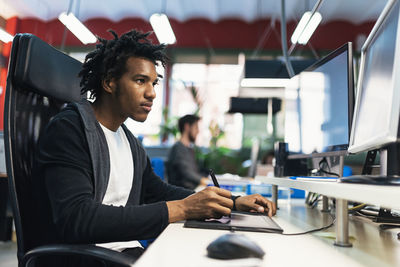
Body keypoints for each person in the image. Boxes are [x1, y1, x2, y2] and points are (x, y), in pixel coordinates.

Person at [31, 29, 276, 266]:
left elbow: (158, 191)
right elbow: (77, 218)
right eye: (140, 81)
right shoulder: (70, 129)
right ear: (109, 82)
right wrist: (182, 208)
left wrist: (233, 202)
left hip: (123, 253)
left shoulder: (127, 140)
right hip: (89, 258)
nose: (152, 94)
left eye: (154, 83)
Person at [167, 114, 209, 190]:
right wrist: (204, 181)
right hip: (183, 193)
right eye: (196, 127)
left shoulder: (189, 149)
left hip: (192, 189)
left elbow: (195, 171)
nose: (198, 131)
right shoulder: (178, 148)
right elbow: (186, 173)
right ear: (187, 127)